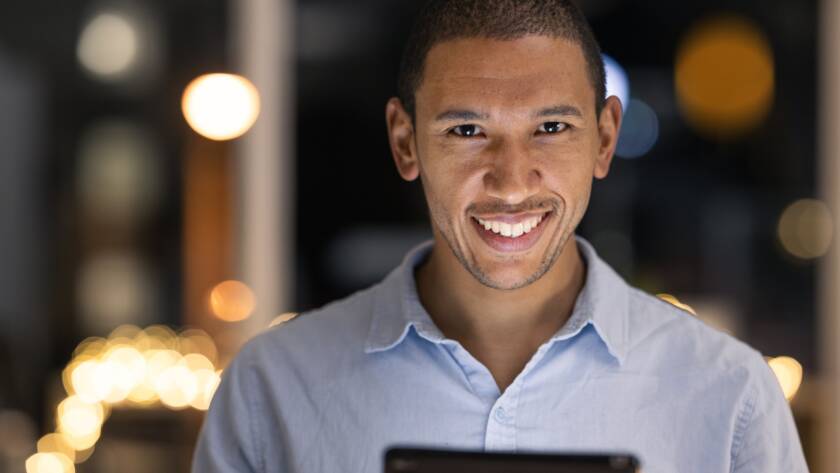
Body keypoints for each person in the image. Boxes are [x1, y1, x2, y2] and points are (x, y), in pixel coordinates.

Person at [192, 1, 809, 472]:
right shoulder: (271, 390)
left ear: (604, 139)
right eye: (466, 131)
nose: (512, 183)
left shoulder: (731, 397)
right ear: (405, 143)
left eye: (551, 127)